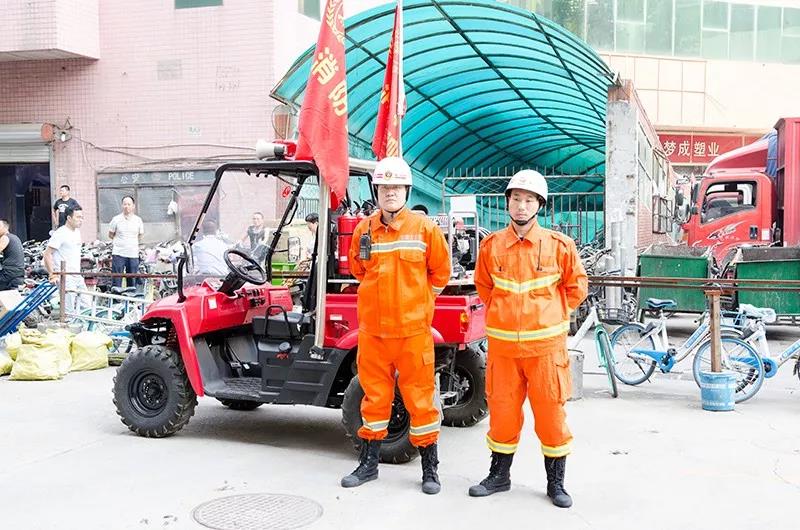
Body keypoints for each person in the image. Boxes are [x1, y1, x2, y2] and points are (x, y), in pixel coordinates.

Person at [469, 170, 588, 508]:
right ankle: (499, 475)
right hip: (504, 351)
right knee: (502, 415)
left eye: (529, 200)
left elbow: (577, 287)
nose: (522, 206)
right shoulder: (491, 246)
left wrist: (551, 314)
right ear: (507, 202)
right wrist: (505, 315)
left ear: (539, 205)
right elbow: (484, 287)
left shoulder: (559, 246)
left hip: (545, 352)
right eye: (516, 199)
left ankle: (556, 483)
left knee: (551, 417)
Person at [341, 157, 451, 494]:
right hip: (373, 332)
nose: (391, 192)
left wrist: (419, 302)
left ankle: (430, 469)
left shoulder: (425, 229)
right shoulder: (363, 230)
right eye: (385, 187)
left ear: (407, 190)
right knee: (374, 399)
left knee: (421, 401)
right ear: (377, 191)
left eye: (397, 187)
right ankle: (369, 465)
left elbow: (441, 273)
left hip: (412, 333)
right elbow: (359, 271)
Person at [43, 206, 87, 314]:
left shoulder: (77, 232)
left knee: (87, 307)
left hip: (77, 274)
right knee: (69, 311)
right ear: (69, 218)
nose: (81, 220)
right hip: (65, 277)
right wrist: (52, 274)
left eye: (82, 217)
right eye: (78, 217)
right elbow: (47, 254)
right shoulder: (61, 233)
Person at [108, 196, 145, 288]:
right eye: (125, 204)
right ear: (122, 205)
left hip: (133, 253)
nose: (126, 206)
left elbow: (140, 235)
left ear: (133, 206)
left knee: (132, 279)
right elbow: (111, 234)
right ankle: (116, 296)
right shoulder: (116, 219)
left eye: (129, 204)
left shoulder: (138, 220)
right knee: (117, 278)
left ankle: (131, 295)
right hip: (118, 253)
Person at [0, 219, 24, 290]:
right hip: (18, 271)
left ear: (5, 227)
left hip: (9, 272)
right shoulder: (15, 237)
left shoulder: (5, 237)